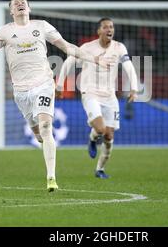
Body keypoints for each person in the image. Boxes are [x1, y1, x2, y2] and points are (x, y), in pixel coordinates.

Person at [0, 0, 113, 192]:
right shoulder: (4, 31)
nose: (20, 4)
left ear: (29, 8)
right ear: (11, 12)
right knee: (38, 134)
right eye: (15, 4)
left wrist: (95, 59)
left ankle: (51, 178)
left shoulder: (42, 26)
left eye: (23, 2)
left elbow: (68, 47)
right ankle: (41, 139)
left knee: (46, 126)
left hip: (43, 84)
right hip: (21, 91)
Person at [56, 18, 139, 179]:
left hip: (110, 96)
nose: (110, 29)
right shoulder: (87, 48)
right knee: (100, 129)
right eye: (106, 27)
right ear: (99, 31)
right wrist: (59, 86)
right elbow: (68, 62)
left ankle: (99, 169)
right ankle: (92, 139)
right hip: (90, 93)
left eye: (112, 27)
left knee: (109, 136)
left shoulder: (119, 47)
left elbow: (129, 67)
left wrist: (134, 88)